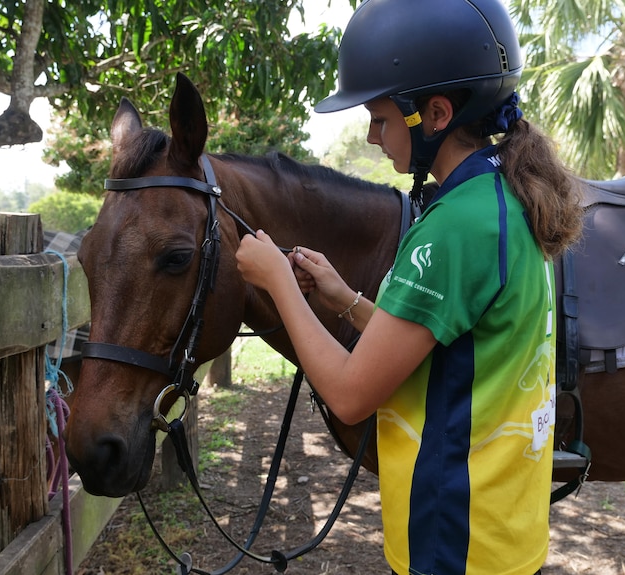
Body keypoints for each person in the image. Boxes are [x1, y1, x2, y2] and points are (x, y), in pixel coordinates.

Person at [235, 0, 584, 573]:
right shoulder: (503, 201)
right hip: (500, 537)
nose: (373, 137)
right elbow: (449, 348)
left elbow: (349, 396)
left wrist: (278, 282)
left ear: (437, 114)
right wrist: (344, 299)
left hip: (453, 543)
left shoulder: (453, 226)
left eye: (380, 118)